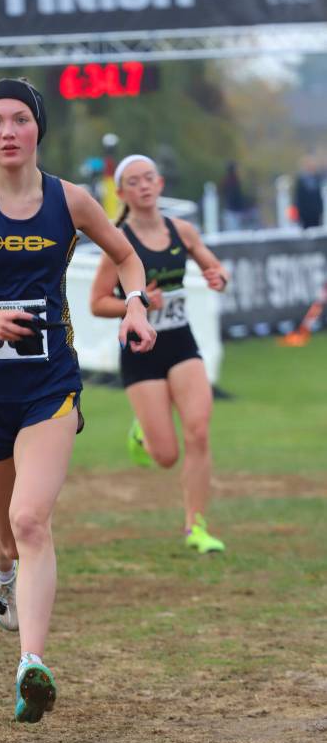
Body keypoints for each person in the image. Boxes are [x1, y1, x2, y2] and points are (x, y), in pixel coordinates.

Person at [0, 79, 155, 723]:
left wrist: (135, 307)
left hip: (49, 386)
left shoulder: (70, 199)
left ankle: (31, 666)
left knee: (31, 521)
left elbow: (129, 258)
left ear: (37, 129)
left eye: (20, 119)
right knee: (6, 536)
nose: (8, 131)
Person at [90, 154, 229, 555]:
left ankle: (195, 527)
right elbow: (98, 302)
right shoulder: (117, 242)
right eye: (134, 182)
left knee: (199, 431)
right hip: (140, 350)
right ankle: (143, 431)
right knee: (166, 456)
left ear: (161, 183)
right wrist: (138, 303)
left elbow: (214, 270)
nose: (144, 186)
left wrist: (218, 276)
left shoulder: (182, 230)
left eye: (149, 178)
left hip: (181, 342)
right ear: (121, 193)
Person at [293, 155, 324, 229]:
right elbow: (298, 197)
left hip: (316, 212)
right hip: (305, 213)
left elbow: (320, 196)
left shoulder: (318, 178)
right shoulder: (301, 180)